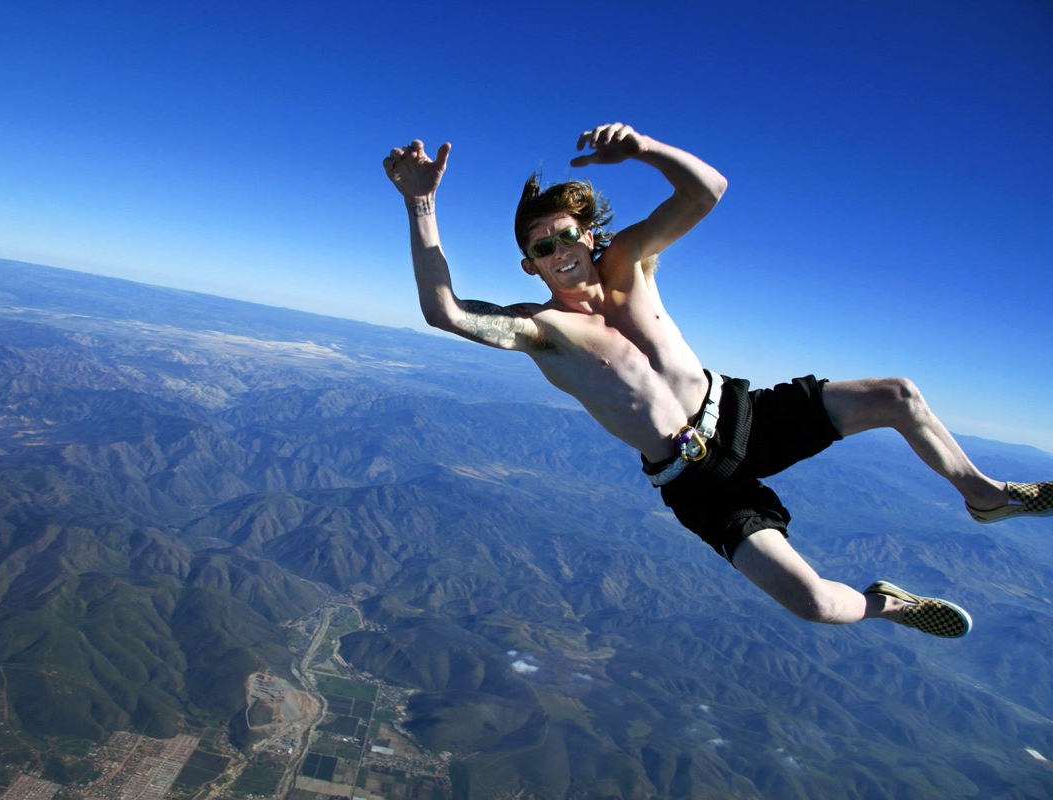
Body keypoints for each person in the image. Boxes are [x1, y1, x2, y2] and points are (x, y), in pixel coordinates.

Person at [382, 122, 1052, 638]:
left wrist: (641, 146)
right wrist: (422, 205)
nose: (557, 253)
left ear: (590, 235)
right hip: (695, 480)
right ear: (528, 266)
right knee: (815, 603)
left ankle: (984, 495)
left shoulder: (633, 263)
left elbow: (708, 189)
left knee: (897, 395)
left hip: (743, 415)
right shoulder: (544, 330)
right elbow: (445, 312)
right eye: (540, 248)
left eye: (564, 237)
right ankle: (886, 603)